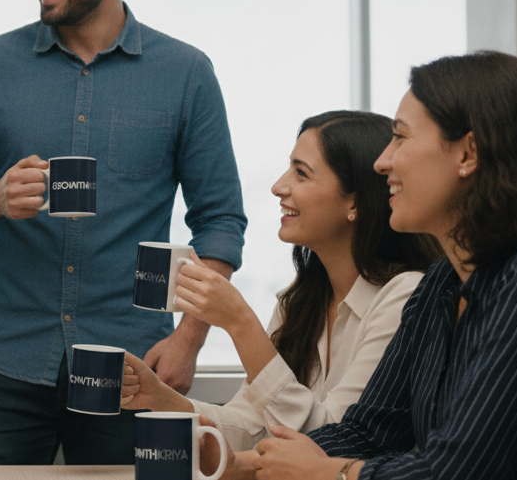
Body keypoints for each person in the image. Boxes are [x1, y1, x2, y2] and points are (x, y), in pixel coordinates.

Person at [0, 0, 248, 465]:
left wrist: (188, 340)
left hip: (133, 367)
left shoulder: (185, 73)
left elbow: (221, 221)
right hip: (6, 363)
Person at [252, 51, 517, 480]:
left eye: (400, 137)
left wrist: (334, 474)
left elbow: (457, 469)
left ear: (468, 154)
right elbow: (370, 432)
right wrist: (241, 464)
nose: (382, 161)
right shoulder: (442, 281)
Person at [120, 111, 441, 476]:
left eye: (301, 173)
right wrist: (164, 399)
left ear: (355, 202)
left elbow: (331, 436)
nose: (278, 186)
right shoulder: (299, 300)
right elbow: (252, 424)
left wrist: (240, 323)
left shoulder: (404, 295)